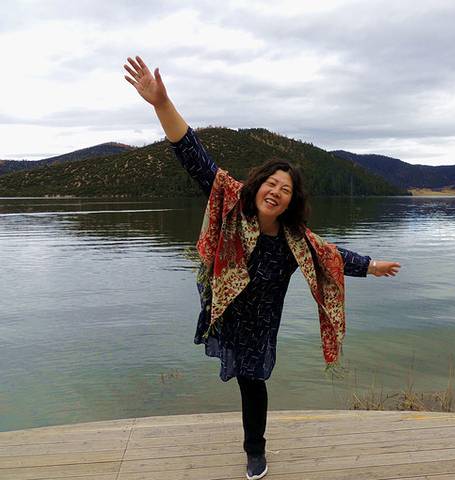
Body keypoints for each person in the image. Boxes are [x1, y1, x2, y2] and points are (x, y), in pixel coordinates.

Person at [124, 55, 401, 480]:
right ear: (258, 186)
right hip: (225, 309)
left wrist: (372, 266)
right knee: (243, 377)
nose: (276, 191)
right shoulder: (232, 203)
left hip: (259, 326)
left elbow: (330, 254)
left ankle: (255, 452)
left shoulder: (294, 241)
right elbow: (192, 154)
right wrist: (162, 103)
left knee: (252, 384)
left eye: (285, 189)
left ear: (291, 201)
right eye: (271, 183)